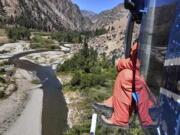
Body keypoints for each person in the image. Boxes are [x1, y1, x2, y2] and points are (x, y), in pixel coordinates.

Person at [92, 40, 157, 128]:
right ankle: (111, 106)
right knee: (128, 75)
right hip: (157, 76)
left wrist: (121, 63)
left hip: (158, 77)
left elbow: (137, 62)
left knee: (127, 76)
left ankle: (123, 118)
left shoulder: (147, 37)